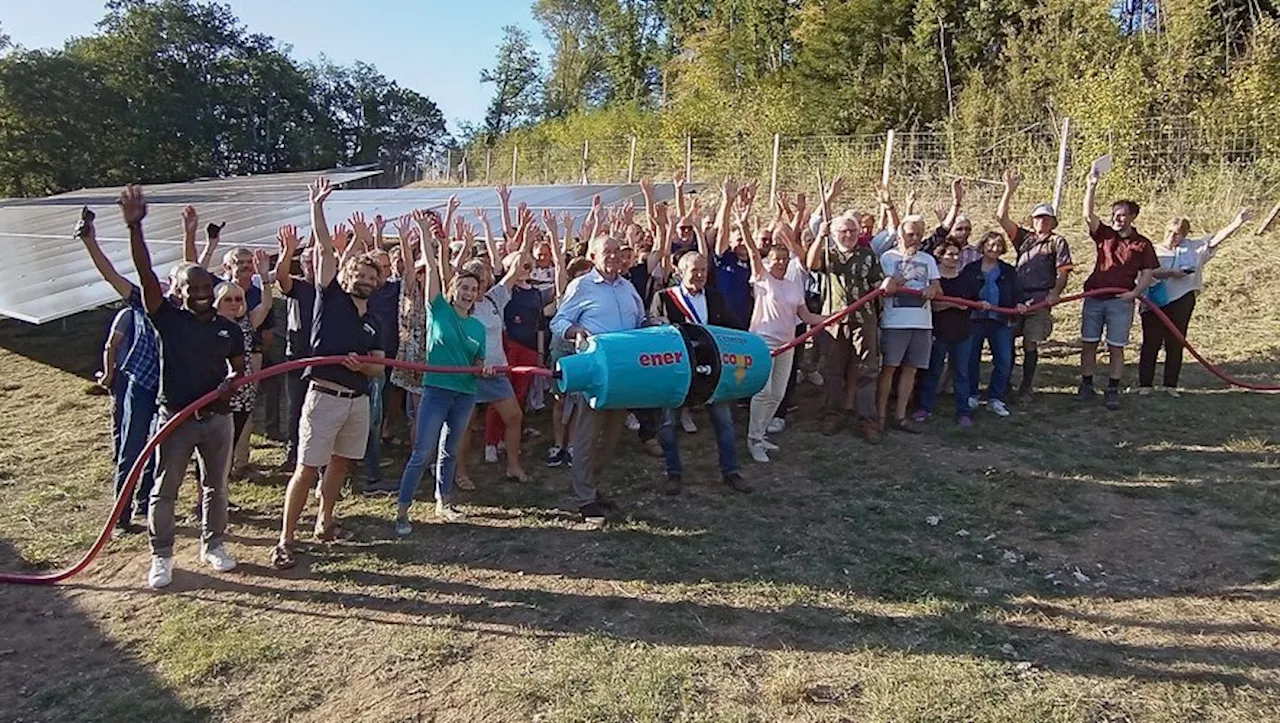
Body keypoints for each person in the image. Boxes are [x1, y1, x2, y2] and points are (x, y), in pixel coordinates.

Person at [122, 185, 245, 589]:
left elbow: (239, 368)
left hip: (217, 419)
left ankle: (215, 545)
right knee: (166, 487)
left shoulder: (228, 330)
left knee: (216, 485)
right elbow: (144, 275)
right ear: (179, 292)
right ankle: (161, 555)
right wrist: (135, 229)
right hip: (175, 416)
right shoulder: (167, 319)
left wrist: (232, 382)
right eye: (192, 291)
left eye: (207, 290)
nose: (201, 296)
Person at [272, 178, 386, 569]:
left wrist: (365, 366)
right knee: (306, 468)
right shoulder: (329, 297)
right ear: (346, 275)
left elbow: (379, 365)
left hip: (357, 400)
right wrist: (317, 207)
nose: (367, 280)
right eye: (361, 274)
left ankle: (325, 522)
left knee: (341, 463)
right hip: (324, 395)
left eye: (373, 278)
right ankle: (286, 539)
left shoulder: (374, 320)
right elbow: (323, 247)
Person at [395, 209, 490, 535]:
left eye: (473, 289)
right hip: (436, 390)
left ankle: (443, 501)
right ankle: (403, 510)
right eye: (463, 287)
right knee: (422, 452)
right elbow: (433, 267)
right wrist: (426, 233)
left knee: (451, 450)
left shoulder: (479, 326)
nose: (467, 293)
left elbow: (477, 362)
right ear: (453, 290)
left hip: (465, 393)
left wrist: (483, 368)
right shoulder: (439, 310)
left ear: (478, 295)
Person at [550, 233, 646, 527]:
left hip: (624, 373)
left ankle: (592, 485)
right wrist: (575, 331)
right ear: (593, 256)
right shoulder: (581, 285)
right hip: (595, 373)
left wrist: (651, 326)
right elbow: (557, 322)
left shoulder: (628, 288)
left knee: (612, 436)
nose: (614, 256)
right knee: (587, 435)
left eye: (618, 251)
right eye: (608, 251)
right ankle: (584, 499)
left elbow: (639, 321)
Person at [77, 207, 159, 538]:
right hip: (139, 383)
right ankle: (121, 516)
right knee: (131, 447)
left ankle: (144, 502)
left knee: (158, 448)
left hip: (169, 388)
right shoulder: (141, 301)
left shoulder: (186, 311)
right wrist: (90, 241)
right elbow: (111, 274)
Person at [650, 251, 752, 495]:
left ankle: (731, 472)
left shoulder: (716, 298)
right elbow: (652, 327)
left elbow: (734, 327)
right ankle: (673, 474)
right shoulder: (664, 298)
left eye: (703, 270)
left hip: (712, 372)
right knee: (667, 423)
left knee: (724, 423)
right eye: (694, 270)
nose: (700, 275)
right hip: (677, 372)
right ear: (680, 272)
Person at [738, 210, 825, 463]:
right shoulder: (762, 278)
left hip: (788, 344)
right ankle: (753, 439)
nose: (781, 263)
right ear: (769, 260)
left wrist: (833, 316)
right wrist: (744, 224)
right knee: (762, 393)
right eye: (777, 258)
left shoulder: (793, 285)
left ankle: (762, 433)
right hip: (763, 342)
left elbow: (807, 317)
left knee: (777, 394)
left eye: (785, 259)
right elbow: (754, 253)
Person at [1137, 209, 1251, 396]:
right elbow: (1143, 272)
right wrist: (1170, 273)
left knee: (1176, 342)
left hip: (1182, 299)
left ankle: (1170, 385)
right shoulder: (1153, 250)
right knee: (1151, 342)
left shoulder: (1194, 248)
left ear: (1185, 235)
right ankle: (1145, 385)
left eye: (1178, 234)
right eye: (1170, 232)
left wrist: (1237, 223)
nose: (1173, 236)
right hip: (1153, 301)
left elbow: (1217, 239)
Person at [459, 208, 535, 485]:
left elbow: (515, 269)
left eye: (482, 281)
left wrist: (525, 239)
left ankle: (513, 465)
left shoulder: (494, 299)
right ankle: (461, 473)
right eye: (472, 281)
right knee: (464, 426)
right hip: (467, 374)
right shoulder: (458, 307)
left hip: (497, 372)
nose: (477, 287)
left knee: (514, 416)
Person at [805, 188, 885, 442]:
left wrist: (886, 285)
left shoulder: (868, 255)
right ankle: (832, 414)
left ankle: (867, 420)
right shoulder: (828, 253)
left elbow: (878, 283)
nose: (848, 235)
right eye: (843, 231)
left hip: (864, 321)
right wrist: (821, 236)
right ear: (835, 233)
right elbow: (811, 264)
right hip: (833, 321)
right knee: (833, 370)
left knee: (867, 370)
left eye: (852, 231)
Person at [1080, 170, 1159, 410]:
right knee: (1089, 343)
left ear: (1133, 217)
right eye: (1115, 214)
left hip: (1121, 301)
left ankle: (1112, 388)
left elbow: (1148, 272)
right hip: (1094, 297)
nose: (1118, 218)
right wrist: (1091, 186)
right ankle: (1086, 384)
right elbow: (1087, 215)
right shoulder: (1104, 234)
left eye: (1123, 215)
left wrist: (1135, 294)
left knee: (1116, 346)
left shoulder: (1142, 243)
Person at [995, 170, 1073, 402]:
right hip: (1016, 299)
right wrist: (1009, 190)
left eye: (1046, 218)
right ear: (1033, 220)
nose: (1042, 222)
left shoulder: (1057, 242)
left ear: (1053, 222)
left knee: (1030, 342)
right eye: (1038, 218)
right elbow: (1001, 217)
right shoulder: (1025, 238)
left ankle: (1026, 388)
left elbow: (1064, 270)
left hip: (1039, 300)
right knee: (1006, 340)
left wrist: (1054, 294)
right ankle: (1005, 383)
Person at [212, 249, 276, 474]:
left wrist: (265, 278)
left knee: (238, 430)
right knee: (218, 439)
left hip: (244, 389)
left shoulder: (247, 322)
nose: (234, 303)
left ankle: (228, 474)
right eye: (228, 299)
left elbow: (266, 304)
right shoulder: (209, 326)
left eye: (238, 299)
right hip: (220, 389)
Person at [876, 214, 941, 433]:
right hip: (894, 322)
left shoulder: (928, 259)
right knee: (889, 368)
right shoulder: (887, 257)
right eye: (911, 234)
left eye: (919, 234)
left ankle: (901, 416)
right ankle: (880, 415)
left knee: (911, 370)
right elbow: (886, 287)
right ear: (901, 234)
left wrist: (932, 290)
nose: (915, 238)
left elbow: (937, 287)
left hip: (922, 323)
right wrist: (903, 275)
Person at [917, 238, 979, 426]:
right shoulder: (934, 280)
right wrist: (954, 303)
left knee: (961, 373)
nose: (954, 257)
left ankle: (963, 411)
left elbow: (972, 302)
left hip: (962, 333)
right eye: (949, 254)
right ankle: (925, 408)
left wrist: (957, 304)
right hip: (939, 332)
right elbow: (934, 305)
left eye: (956, 254)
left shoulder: (966, 279)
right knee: (932, 371)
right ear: (940, 256)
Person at [960, 232, 1021, 418]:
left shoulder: (1008, 271)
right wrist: (975, 302)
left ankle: (995, 398)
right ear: (983, 245)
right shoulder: (970, 269)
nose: (994, 249)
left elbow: (1017, 292)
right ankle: (972, 394)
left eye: (998, 245)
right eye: (991, 244)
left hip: (1000, 320)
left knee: (1004, 360)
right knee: (971, 358)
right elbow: (964, 292)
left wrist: (1019, 304)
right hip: (974, 319)